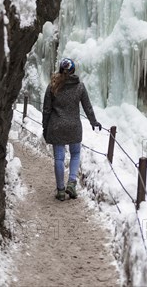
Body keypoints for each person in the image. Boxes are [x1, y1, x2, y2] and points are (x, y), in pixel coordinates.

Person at [42, 58, 102, 201]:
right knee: (75, 154)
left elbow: (46, 109)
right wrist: (94, 122)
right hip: (74, 126)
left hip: (56, 126)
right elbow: (87, 107)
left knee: (59, 158)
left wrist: (45, 126)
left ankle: (61, 190)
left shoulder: (53, 85)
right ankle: (72, 182)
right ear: (73, 70)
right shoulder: (79, 86)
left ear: (60, 70)